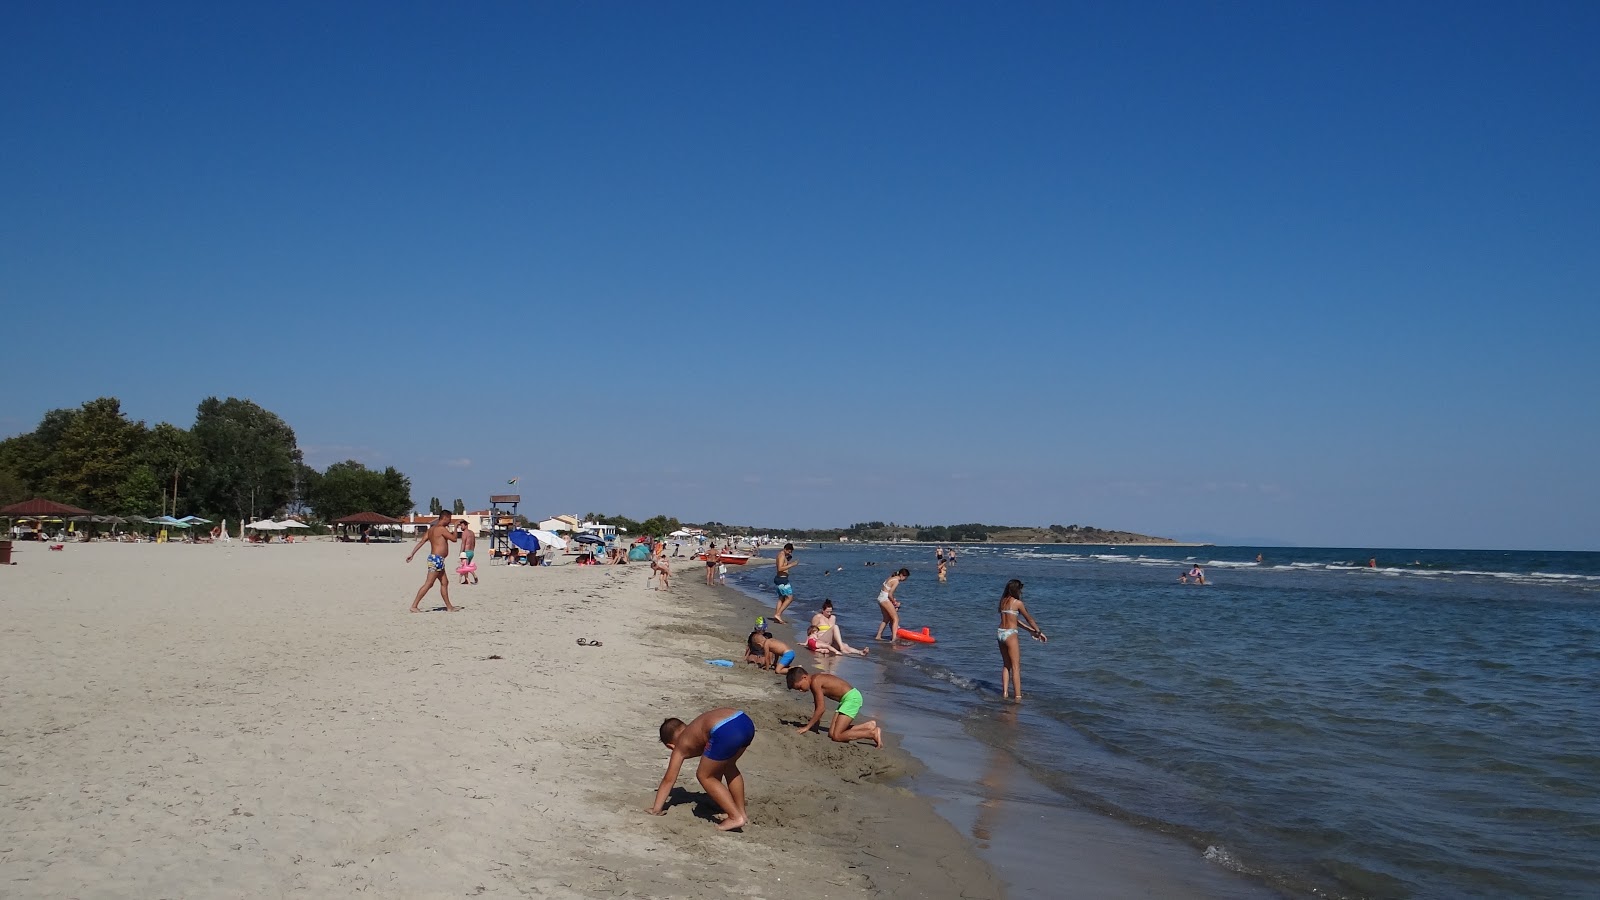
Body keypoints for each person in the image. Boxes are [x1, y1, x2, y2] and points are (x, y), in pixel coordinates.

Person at [651, 708, 754, 831]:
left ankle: (735, 817)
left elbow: (669, 780)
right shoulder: (694, 729)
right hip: (744, 721)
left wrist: (656, 809)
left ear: (670, 746)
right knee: (729, 766)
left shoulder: (680, 745)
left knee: (704, 775)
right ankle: (741, 813)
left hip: (724, 730)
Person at [786, 668, 882, 747]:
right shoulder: (814, 682)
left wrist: (807, 727)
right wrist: (815, 727)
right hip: (845, 700)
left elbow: (821, 709)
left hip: (852, 698)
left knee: (837, 736)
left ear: (804, 677)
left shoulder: (815, 681)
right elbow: (817, 707)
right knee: (832, 733)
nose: (800, 691)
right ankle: (867, 726)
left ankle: (871, 734)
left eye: (799, 687)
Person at [995, 578, 1046, 700]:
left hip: (1000, 633)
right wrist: (1039, 632)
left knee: (1006, 665)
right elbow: (1029, 618)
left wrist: (1030, 631)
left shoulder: (1003, 601)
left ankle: (1005, 693)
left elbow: (1015, 621)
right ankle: (1018, 696)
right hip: (1011, 634)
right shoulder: (1017, 603)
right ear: (1016, 590)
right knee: (1016, 667)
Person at [405, 512, 459, 612]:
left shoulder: (431, 529)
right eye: (449, 519)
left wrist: (412, 553)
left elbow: (421, 542)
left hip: (436, 559)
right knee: (429, 584)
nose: (450, 521)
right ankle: (414, 606)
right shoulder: (441, 529)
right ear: (445, 518)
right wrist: (455, 527)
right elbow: (454, 539)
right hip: (437, 559)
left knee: (445, 582)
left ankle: (449, 607)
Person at [874, 568, 910, 641]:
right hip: (884, 598)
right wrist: (894, 602)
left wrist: (893, 600)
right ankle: (894, 638)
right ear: (902, 575)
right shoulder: (896, 581)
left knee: (886, 619)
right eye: (905, 578)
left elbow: (886, 590)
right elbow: (890, 594)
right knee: (896, 619)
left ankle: (878, 636)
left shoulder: (891, 577)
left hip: (880, 597)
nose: (905, 579)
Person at [773, 542, 797, 623]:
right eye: (789, 551)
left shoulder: (783, 555)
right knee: (790, 598)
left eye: (791, 552)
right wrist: (791, 565)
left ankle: (777, 615)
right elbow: (780, 568)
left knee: (781, 598)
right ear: (785, 549)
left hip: (781, 579)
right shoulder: (781, 555)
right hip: (782, 580)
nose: (789, 553)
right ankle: (778, 614)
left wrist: (788, 561)